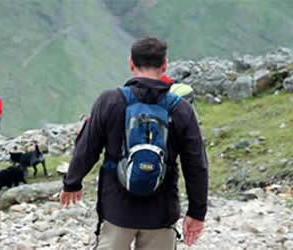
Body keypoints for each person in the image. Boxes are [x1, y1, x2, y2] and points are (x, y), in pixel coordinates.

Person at [60, 37, 209, 249]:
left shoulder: (110, 101)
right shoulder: (181, 109)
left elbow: (88, 146)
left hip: (117, 210)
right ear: (164, 65)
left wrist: (72, 182)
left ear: (131, 63)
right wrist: (197, 212)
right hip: (161, 213)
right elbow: (196, 165)